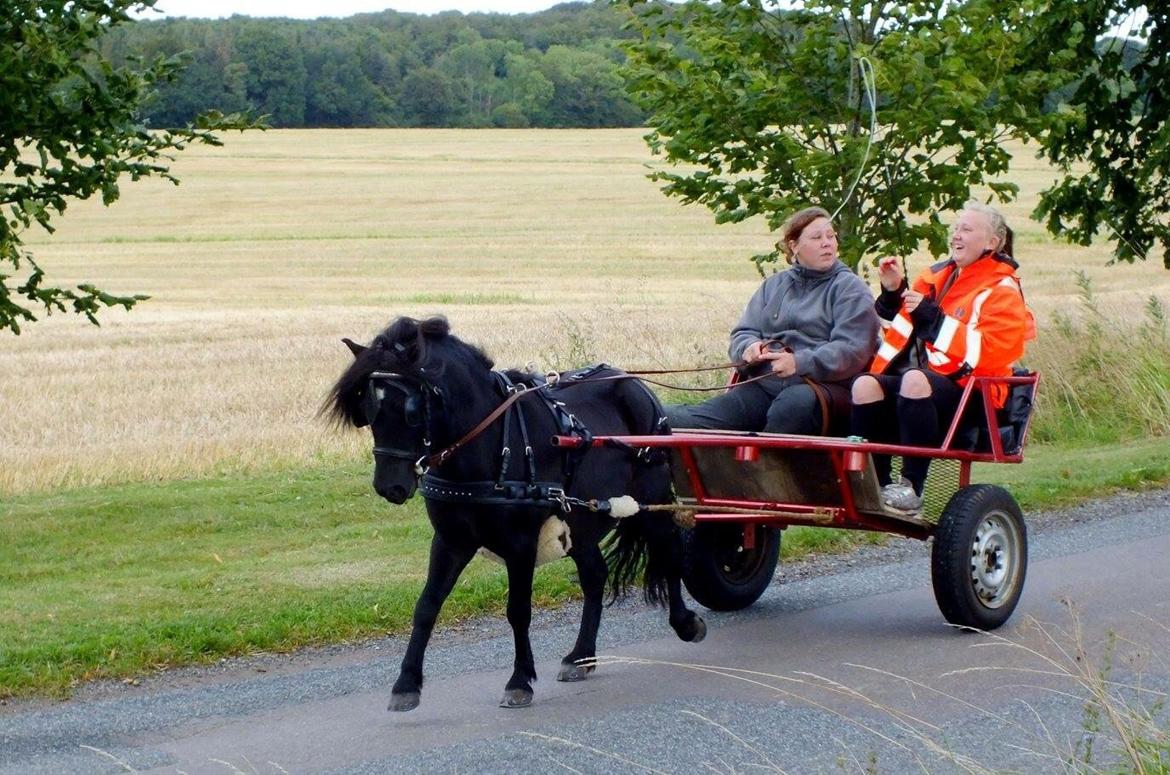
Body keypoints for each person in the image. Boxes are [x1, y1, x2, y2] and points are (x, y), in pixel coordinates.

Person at [851, 201, 1033, 515]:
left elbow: (990, 352)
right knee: (864, 386)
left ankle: (911, 489)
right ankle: (877, 484)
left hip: (975, 396)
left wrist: (934, 320)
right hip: (925, 389)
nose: (956, 235)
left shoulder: (1001, 288)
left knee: (914, 378)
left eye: (966, 229)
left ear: (991, 243)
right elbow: (902, 326)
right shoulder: (937, 277)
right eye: (955, 228)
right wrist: (894, 292)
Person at [665, 206, 880, 435]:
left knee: (792, 406)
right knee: (688, 420)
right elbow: (743, 332)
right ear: (793, 246)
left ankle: (760, 468)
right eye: (817, 237)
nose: (827, 243)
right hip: (765, 385)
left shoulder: (851, 289)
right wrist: (748, 348)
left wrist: (799, 362)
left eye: (831, 236)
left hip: (821, 389)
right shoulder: (774, 285)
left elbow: (852, 349)